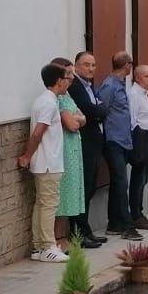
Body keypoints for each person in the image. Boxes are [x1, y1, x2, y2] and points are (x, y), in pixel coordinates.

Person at [18, 61, 70, 263]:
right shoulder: (48, 103)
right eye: (67, 79)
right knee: (49, 205)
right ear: (59, 81)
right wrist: (26, 156)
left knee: (42, 204)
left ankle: (39, 246)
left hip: (45, 162)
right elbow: (38, 132)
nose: (69, 82)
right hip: (48, 162)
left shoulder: (45, 101)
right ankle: (48, 246)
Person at [65, 52, 107, 248]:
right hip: (84, 144)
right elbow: (91, 110)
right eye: (86, 65)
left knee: (89, 188)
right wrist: (99, 110)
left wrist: (99, 110)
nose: (91, 68)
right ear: (76, 66)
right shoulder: (75, 87)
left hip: (94, 143)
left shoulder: (90, 86)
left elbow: (99, 109)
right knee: (83, 189)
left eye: (93, 65)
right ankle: (79, 233)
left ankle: (86, 230)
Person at [96, 52, 137, 239]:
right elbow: (101, 110)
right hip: (113, 140)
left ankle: (114, 223)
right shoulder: (110, 85)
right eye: (131, 64)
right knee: (121, 181)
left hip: (122, 139)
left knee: (117, 182)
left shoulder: (120, 84)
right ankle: (127, 225)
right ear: (127, 66)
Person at [54, 59, 94, 250]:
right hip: (64, 150)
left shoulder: (67, 94)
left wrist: (77, 119)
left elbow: (82, 117)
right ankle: (58, 238)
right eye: (68, 74)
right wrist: (77, 119)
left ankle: (67, 236)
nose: (71, 78)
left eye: (71, 74)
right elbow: (71, 124)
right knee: (62, 197)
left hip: (74, 148)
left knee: (72, 195)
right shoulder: (59, 99)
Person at [127, 64, 148, 231]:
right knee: (138, 179)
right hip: (140, 139)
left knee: (143, 178)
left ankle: (140, 213)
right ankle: (135, 215)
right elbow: (133, 120)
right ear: (137, 77)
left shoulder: (144, 95)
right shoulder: (134, 94)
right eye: (146, 76)